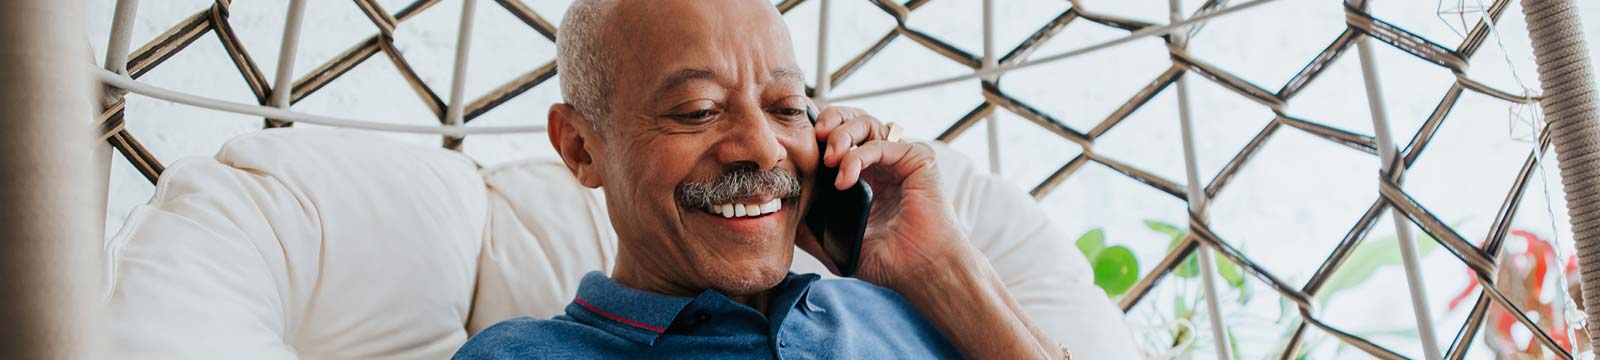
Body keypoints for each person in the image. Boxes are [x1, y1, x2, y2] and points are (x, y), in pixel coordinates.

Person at [454, 0, 1067, 358]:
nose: (762, 149)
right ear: (581, 149)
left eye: (786, 107)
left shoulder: (908, 312)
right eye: (697, 110)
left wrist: (942, 270)